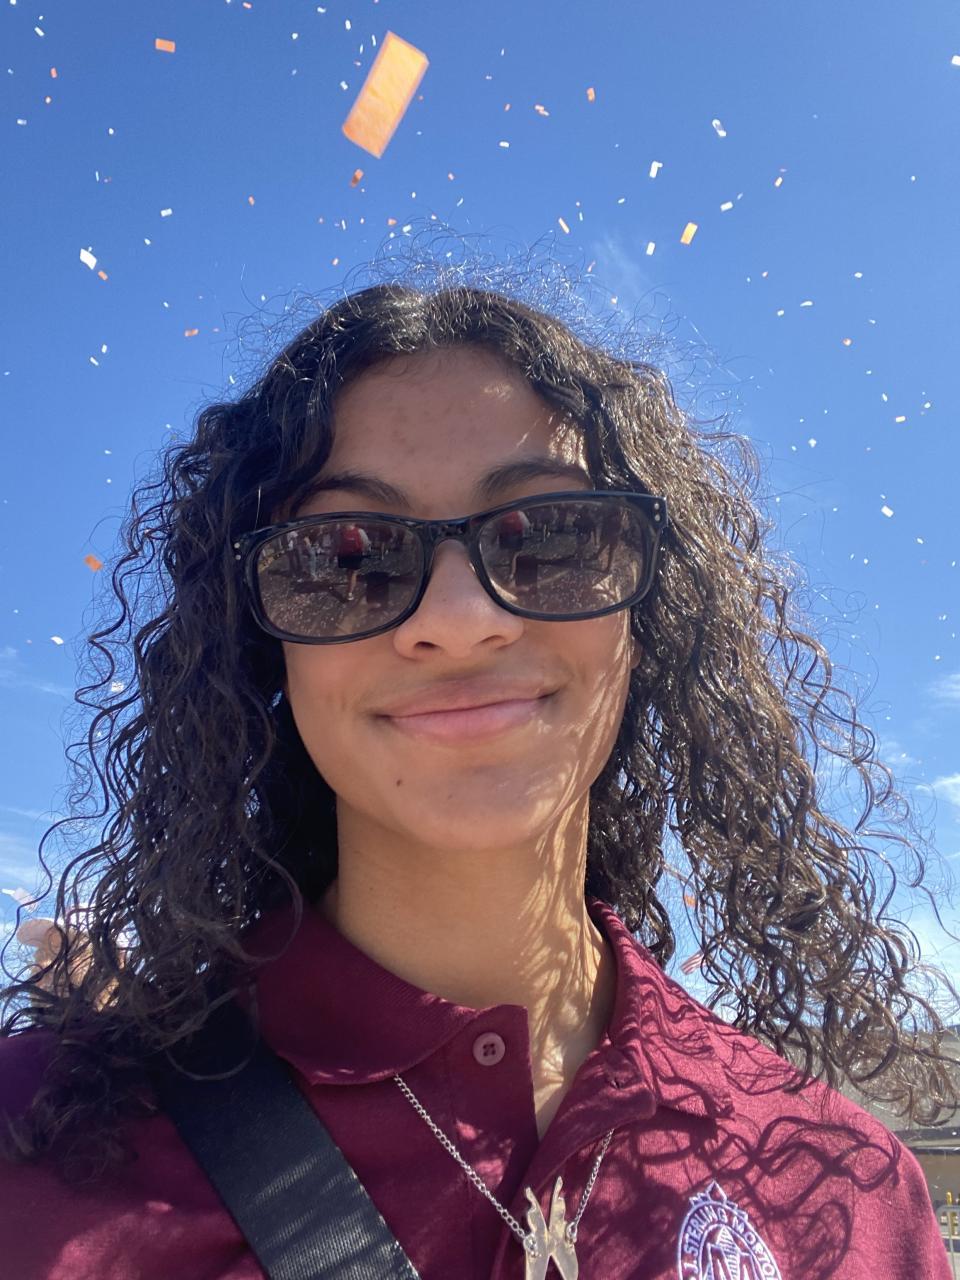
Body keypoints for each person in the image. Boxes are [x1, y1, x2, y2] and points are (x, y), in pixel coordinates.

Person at [0, 279, 956, 1280]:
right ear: (262, 646)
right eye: (346, 557)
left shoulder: (849, 1192)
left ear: (649, 619)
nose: (458, 620)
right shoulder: (35, 1158)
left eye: (549, 534)